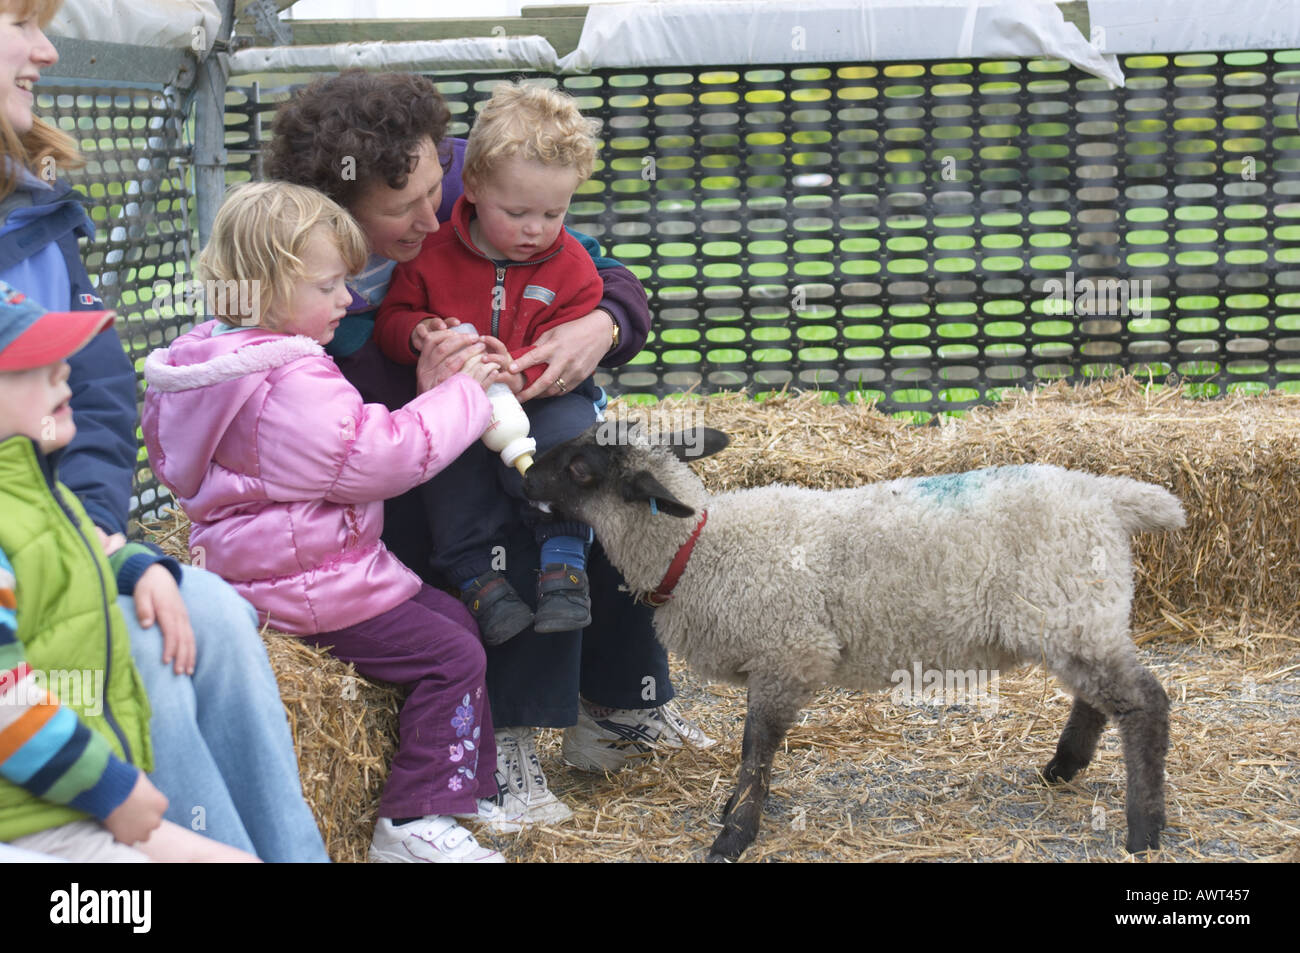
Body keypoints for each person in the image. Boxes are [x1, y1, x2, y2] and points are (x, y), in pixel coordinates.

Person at [267, 70, 714, 828]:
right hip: (392, 471)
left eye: (434, 187)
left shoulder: (476, 182)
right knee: (518, 508)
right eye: (400, 208)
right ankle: (506, 740)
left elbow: (603, 273)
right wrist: (425, 380)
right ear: (336, 210)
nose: (430, 212)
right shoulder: (297, 264)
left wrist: (599, 325)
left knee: (599, 471)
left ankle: (619, 703)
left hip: (498, 409)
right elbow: (327, 416)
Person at [0, 0, 327, 861]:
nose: (47, 50)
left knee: (208, 609)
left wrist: (106, 543)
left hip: (48, 530)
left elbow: (98, 393)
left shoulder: (33, 205)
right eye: (17, 23)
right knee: (145, 654)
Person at [142, 181, 515, 863]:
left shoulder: (208, 362)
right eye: (329, 285)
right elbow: (382, 456)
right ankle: (413, 818)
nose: (349, 300)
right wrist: (465, 397)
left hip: (274, 569)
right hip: (308, 587)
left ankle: (463, 787)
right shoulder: (287, 383)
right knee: (452, 654)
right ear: (271, 285)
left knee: (454, 621)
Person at [0, 280, 256, 862]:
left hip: (63, 803)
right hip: (34, 817)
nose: (63, 371)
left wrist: (140, 566)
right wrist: (108, 789)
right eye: (30, 364)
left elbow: (70, 550)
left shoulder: (35, 489)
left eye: (58, 355)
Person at [376, 81, 607, 642]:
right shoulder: (430, 255)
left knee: (573, 442)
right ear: (474, 187)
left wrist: (525, 370)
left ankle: (565, 560)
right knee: (447, 476)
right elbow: (393, 318)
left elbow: (574, 327)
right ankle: (479, 579)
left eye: (555, 211)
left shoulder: (570, 262)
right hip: (457, 400)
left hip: (541, 397)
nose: (536, 229)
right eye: (518, 211)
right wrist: (419, 334)